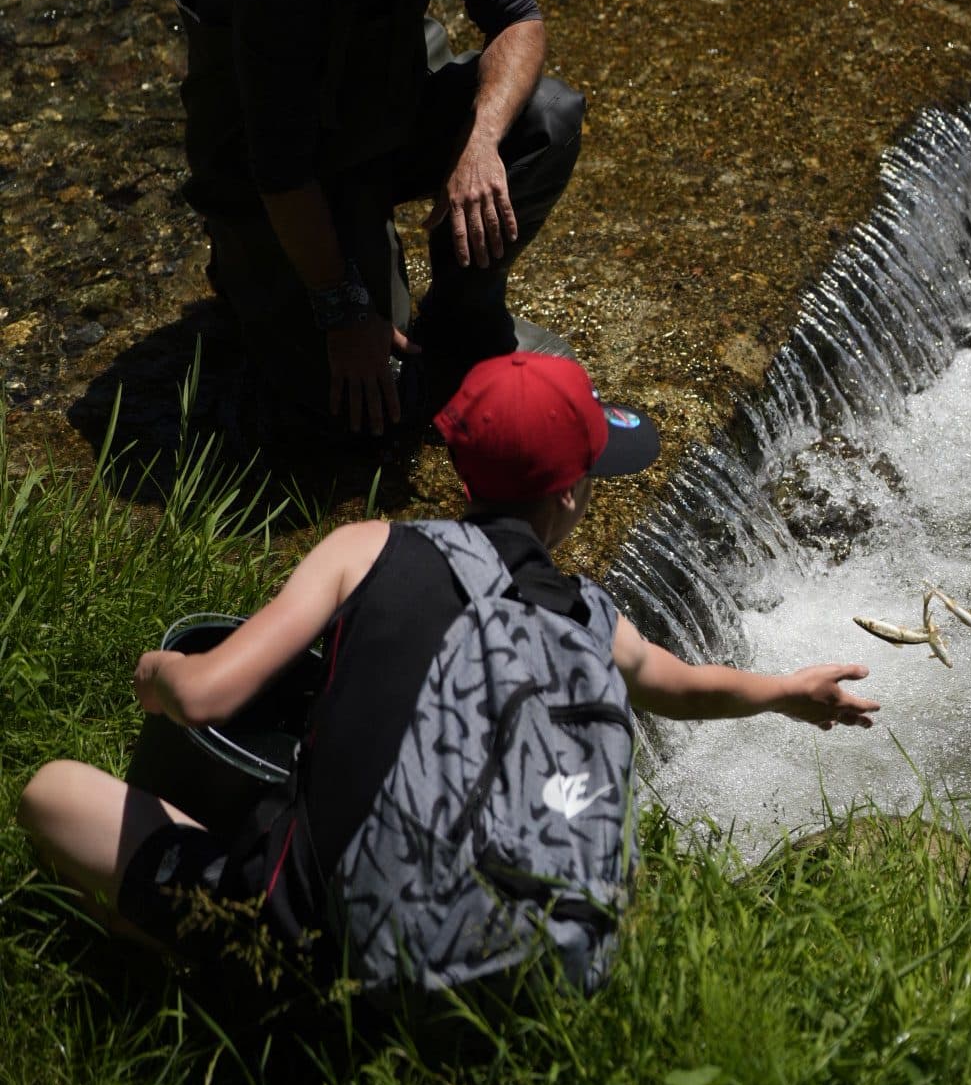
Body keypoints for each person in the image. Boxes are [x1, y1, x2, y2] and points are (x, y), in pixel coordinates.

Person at [17, 352, 878, 983]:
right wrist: (786, 695)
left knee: (50, 790)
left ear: (459, 465)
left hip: (337, 962)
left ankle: (204, 986)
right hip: (534, 982)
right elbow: (676, 685)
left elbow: (206, 695)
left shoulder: (368, 546)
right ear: (573, 494)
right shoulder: (589, 616)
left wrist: (154, 670)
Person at [174, 0, 585, 447]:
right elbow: (280, 171)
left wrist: (479, 145)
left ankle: (462, 321)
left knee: (546, 117)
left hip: (377, 124)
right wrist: (343, 311)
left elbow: (518, 21)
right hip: (284, 190)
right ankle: (250, 283)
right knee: (374, 409)